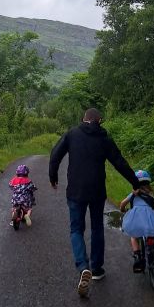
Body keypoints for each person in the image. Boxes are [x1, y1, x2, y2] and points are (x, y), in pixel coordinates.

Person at [49, 108, 140, 297]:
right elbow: (119, 162)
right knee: (97, 227)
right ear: (100, 120)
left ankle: (83, 266)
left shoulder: (72, 134)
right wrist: (136, 183)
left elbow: (55, 154)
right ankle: (97, 269)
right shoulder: (104, 138)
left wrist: (53, 176)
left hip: (75, 191)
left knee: (76, 229)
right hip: (97, 191)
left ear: (84, 119)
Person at [119, 170, 154, 272]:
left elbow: (122, 204)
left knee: (134, 236)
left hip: (136, 217)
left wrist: (123, 210)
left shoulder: (133, 194)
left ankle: (137, 257)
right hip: (150, 217)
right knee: (152, 232)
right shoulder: (151, 195)